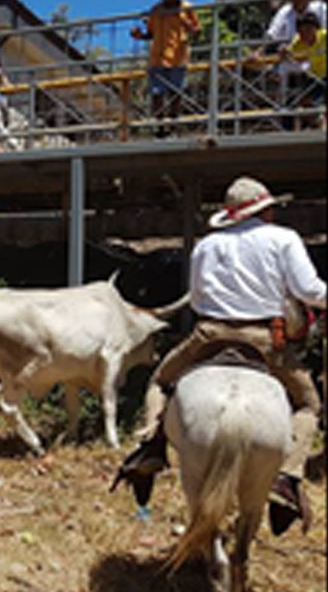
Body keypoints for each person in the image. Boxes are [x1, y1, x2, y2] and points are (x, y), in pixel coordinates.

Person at [114, 176, 326, 536]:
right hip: (265, 340)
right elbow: (309, 290)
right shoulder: (284, 239)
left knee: (160, 382)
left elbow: (196, 300)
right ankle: (288, 477)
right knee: (309, 404)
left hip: (209, 334)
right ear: (265, 209)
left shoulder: (207, 246)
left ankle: (150, 446)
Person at [130, 0, 201, 138]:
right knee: (157, 93)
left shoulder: (186, 8)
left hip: (178, 57)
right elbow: (151, 34)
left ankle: (174, 125)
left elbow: (196, 29)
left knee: (176, 93)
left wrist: (186, 23)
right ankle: (160, 127)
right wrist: (140, 35)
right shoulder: (156, 10)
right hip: (157, 58)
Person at [278, 10, 327, 129]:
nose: (305, 35)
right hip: (315, 77)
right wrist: (283, 50)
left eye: (308, 30)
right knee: (291, 105)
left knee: (314, 102)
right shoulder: (298, 41)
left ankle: (319, 123)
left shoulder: (325, 36)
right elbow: (288, 51)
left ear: (315, 28)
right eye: (301, 31)